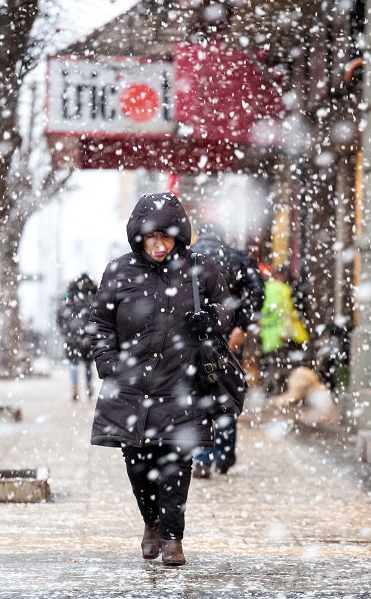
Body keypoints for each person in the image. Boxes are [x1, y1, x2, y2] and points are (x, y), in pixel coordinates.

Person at [88, 192, 234, 567]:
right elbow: (100, 323)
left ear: (178, 236)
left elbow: (227, 308)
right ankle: (151, 523)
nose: (158, 244)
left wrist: (212, 319)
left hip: (181, 384)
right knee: (137, 463)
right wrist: (108, 362)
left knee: (176, 462)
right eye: (151, 236)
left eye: (166, 237)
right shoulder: (119, 272)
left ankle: (172, 538)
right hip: (131, 387)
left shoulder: (200, 269)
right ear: (139, 236)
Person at [190, 222, 264, 478]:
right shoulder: (239, 257)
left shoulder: (187, 257)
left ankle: (202, 456)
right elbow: (257, 291)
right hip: (228, 333)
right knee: (226, 390)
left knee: (198, 392)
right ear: (223, 236)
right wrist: (241, 326)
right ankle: (223, 454)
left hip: (195, 334)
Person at [260, 267, 309, 394]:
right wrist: (285, 332)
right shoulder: (282, 290)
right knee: (278, 365)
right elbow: (284, 313)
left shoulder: (267, 288)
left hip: (269, 333)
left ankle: (269, 391)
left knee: (273, 364)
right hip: (279, 333)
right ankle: (272, 391)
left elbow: (265, 312)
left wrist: (262, 323)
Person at [57, 273, 97, 401]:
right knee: (88, 364)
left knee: (74, 363)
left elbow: (60, 315)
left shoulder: (69, 295)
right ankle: (89, 387)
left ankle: (74, 387)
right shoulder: (93, 295)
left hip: (72, 336)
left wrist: (65, 330)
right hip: (88, 336)